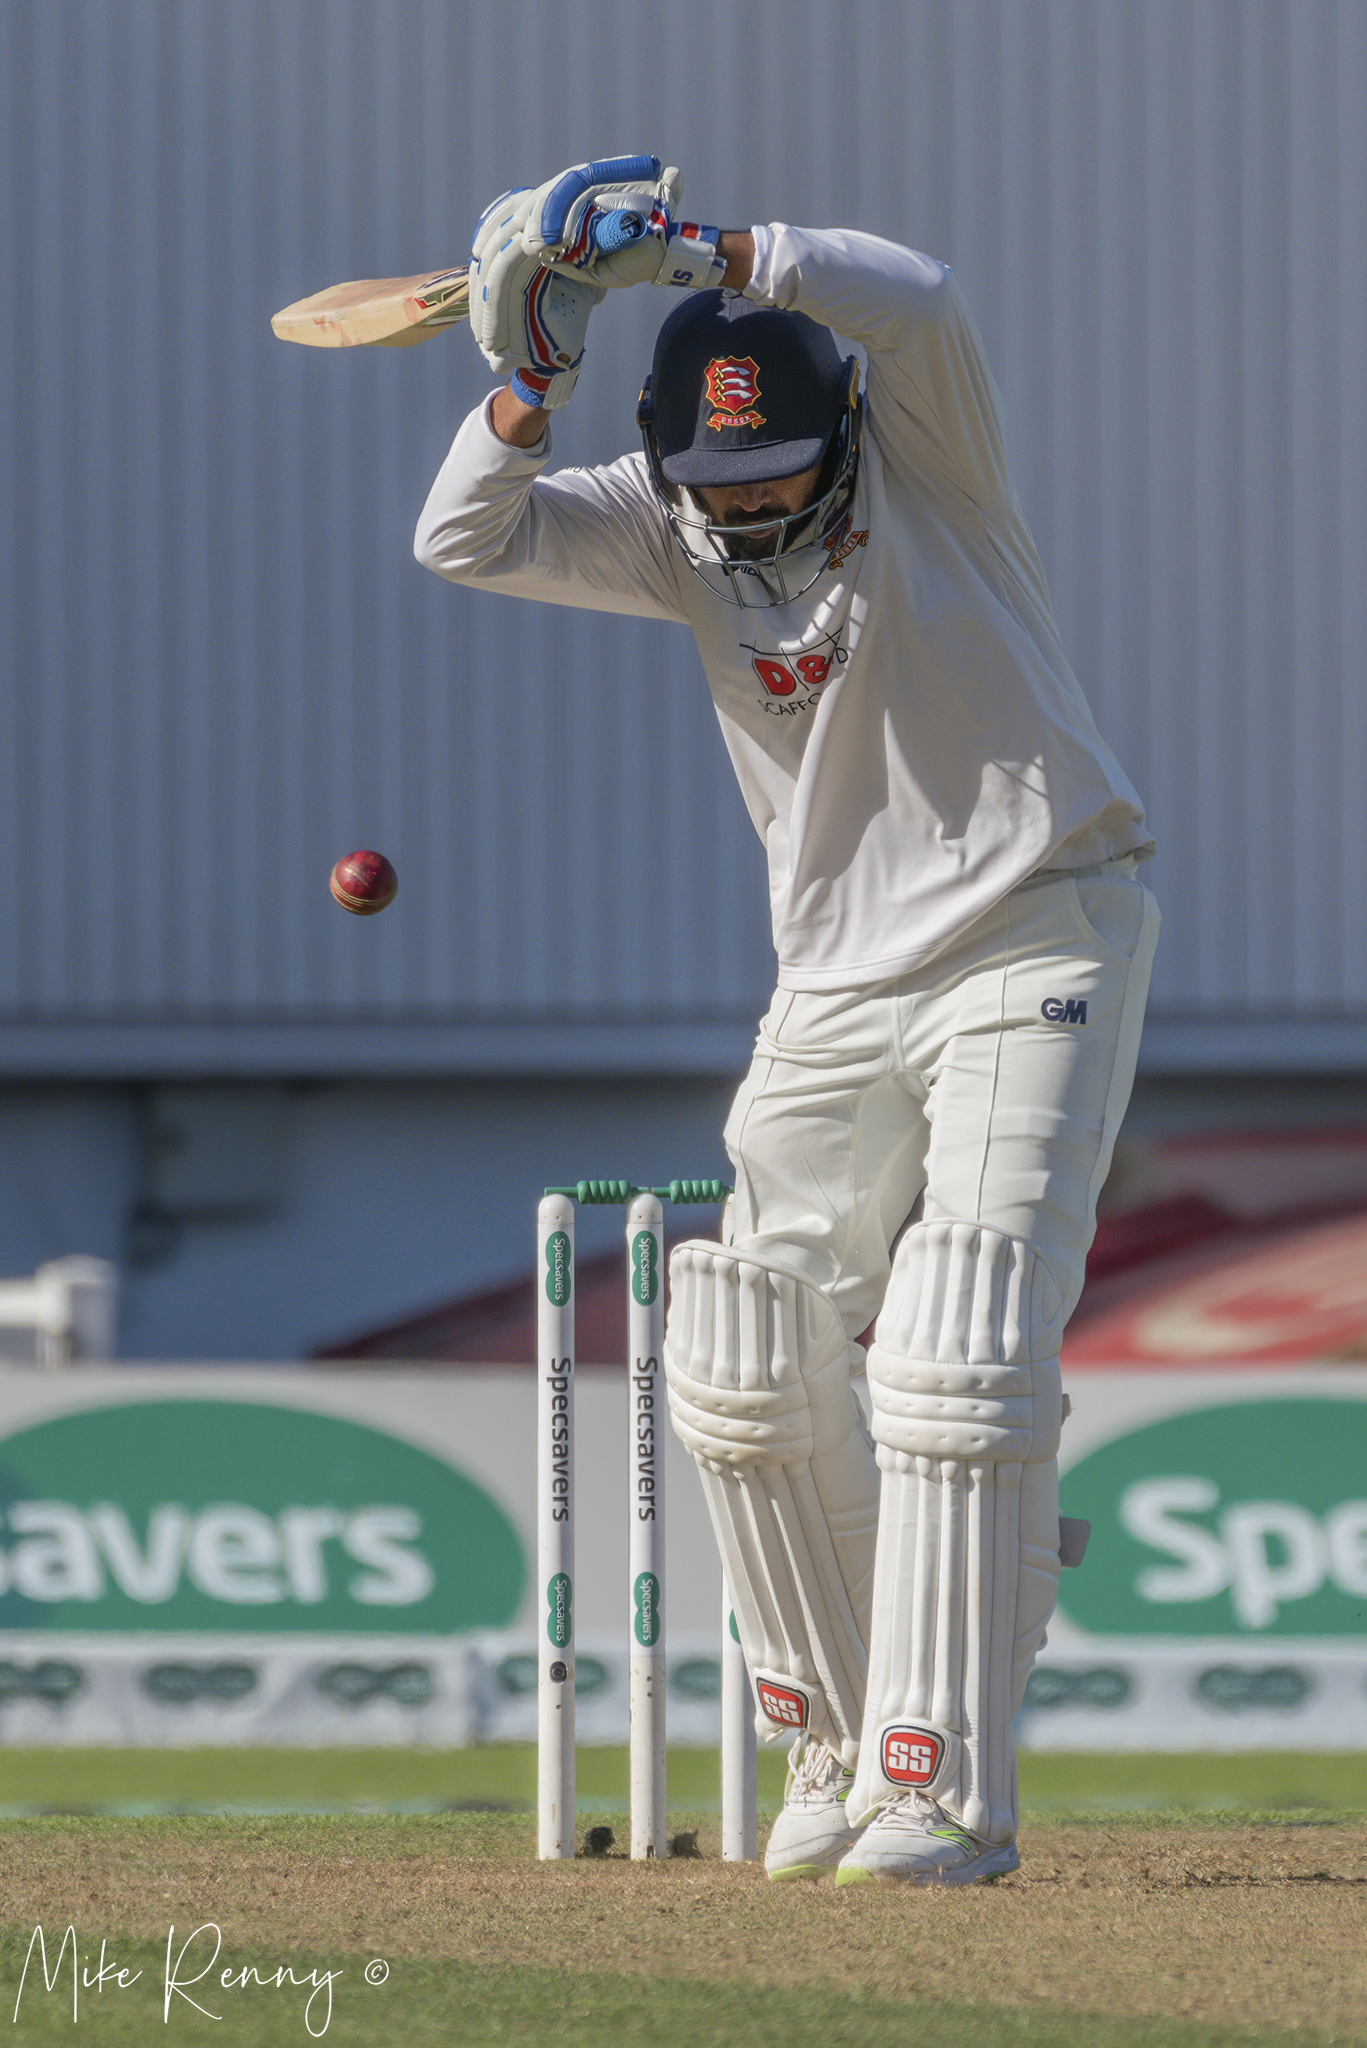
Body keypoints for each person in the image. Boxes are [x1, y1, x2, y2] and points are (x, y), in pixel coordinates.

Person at [416, 155, 1158, 1887]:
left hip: (1037, 920)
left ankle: (940, 1786)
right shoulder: (666, 525)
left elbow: (919, 294)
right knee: (741, 1353)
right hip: (830, 979)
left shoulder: (931, 467)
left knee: (957, 1346)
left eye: (776, 474)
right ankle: (828, 1737)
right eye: (716, 481)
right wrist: (532, 377)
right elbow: (465, 536)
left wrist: (700, 249)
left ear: (843, 438)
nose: (746, 513)